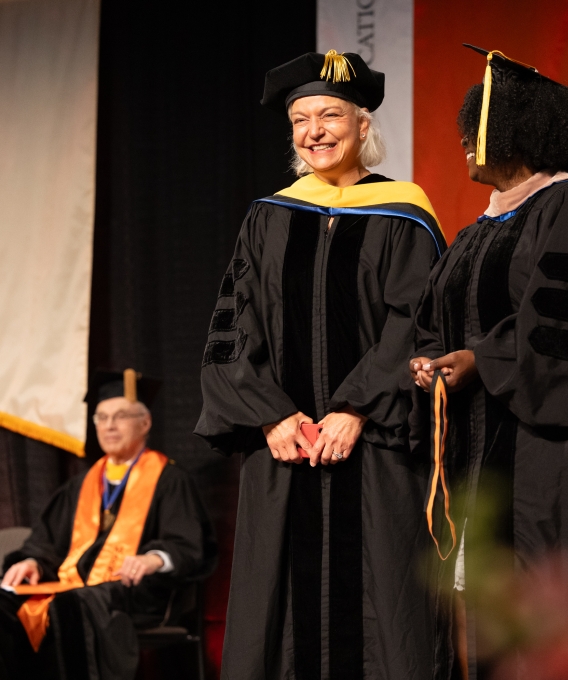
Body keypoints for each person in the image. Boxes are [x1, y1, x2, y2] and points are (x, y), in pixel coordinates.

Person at [408, 45, 568, 679]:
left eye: (476, 128)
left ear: (517, 132)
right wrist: (429, 360)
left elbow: (565, 332)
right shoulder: (477, 231)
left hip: (550, 449)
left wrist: (481, 359)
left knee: (546, 618)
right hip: (480, 448)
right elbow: (436, 317)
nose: (464, 141)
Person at [194, 50, 446, 679]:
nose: (314, 131)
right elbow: (232, 328)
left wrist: (357, 407)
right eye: (300, 120)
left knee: (386, 605)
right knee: (279, 607)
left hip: (376, 446)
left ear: (363, 124)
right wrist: (271, 416)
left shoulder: (405, 213)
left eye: (330, 115)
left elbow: (416, 321)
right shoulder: (268, 216)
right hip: (286, 450)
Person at [0, 370, 216, 680]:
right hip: (76, 587)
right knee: (6, 602)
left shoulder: (169, 480)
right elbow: (46, 541)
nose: (109, 425)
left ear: (145, 423)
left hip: (138, 591)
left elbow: (188, 545)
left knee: (70, 607)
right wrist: (34, 561)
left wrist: (154, 559)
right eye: (101, 418)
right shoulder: (80, 486)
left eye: (120, 416)